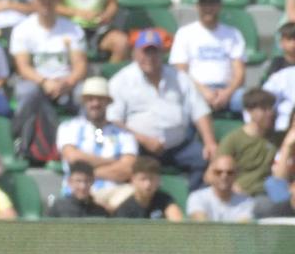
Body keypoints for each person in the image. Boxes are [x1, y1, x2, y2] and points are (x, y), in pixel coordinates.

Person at [110, 26, 216, 181]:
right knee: (128, 166)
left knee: (204, 158)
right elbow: (113, 121)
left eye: (154, 52)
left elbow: (200, 110)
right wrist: (144, 140)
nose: (150, 57)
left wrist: (210, 142)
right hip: (139, 148)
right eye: (145, 51)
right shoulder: (121, 80)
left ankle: (190, 201)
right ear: (134, 53)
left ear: (162, 53)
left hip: (179, 146)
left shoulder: (179, 77)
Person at [10, 0, 89, 119]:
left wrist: (68, 82)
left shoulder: (73, 29)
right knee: (25, 91)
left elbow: (80, 64)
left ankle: (91, 136)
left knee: (86, 93)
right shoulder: (22, 29)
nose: (46, 1)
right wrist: (45, 82)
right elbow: (23, 67)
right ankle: (22, 137)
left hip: (66, 84)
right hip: (37, 83)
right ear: (34, 0)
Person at [56, 74, 138, 199]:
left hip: (113, 195)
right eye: (90, 99)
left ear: (108, 102)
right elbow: (73, 158)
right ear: (84, 101)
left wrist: (86, 174)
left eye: (100, 99)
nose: (95, 103)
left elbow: (128, 169)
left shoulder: (124, 134)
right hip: (77, 194)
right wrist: (113, 162)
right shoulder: (68, 127)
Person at [218, 87, 280, 194]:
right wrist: (231, 186)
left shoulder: (277, 137)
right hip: (245, 194)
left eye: (271, 108)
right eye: (264, 109)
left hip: (273, 190)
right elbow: (213, 173)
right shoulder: (233, 140)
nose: (270, 113)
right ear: (250, 111)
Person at [113, 153, 183, 219]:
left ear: (158, 180)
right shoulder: (125, 209)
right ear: (133, 180)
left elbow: (177, 224)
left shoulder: (165, 200)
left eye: (152, 179)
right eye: (143, 179)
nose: (148, 184)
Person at [188, 152, 254, 220]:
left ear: (236, 175)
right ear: (211, 174)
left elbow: (243, 228)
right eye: (218, 172)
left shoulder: (246, 202)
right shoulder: (197, 198)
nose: (224, 176)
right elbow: (201, 226)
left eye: (229, 172)